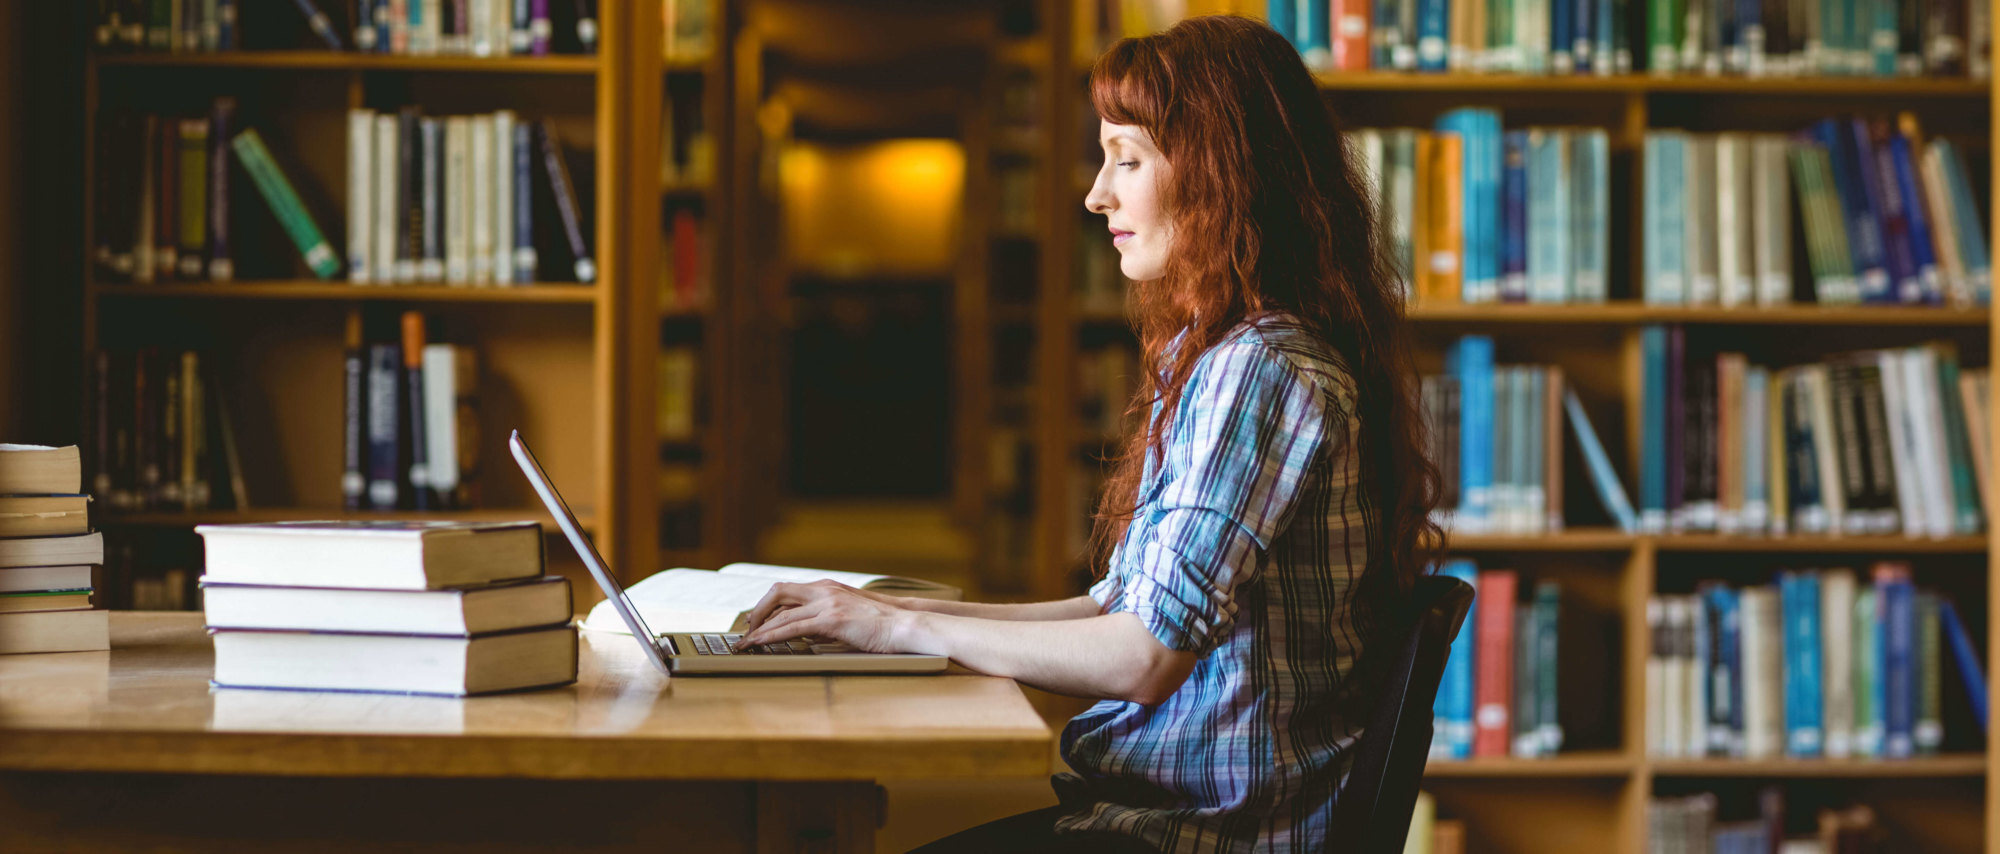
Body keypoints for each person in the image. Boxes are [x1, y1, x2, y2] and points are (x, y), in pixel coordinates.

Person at [737, 14, 1442, 853]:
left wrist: (899, 630)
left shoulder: (1261, 370)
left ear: (1222, 175)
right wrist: (882, 613)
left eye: (1128, 159)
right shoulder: (1219, 353)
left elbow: (1144, 656)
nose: (1096, 193)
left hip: (1202, 835)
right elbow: (1121, 608)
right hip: (1166, 816)